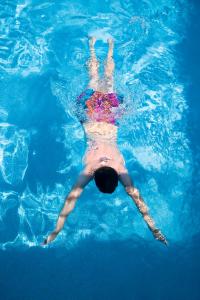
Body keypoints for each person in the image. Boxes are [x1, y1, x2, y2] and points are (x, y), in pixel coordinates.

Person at [43, 37, 167, 245]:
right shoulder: (89, 170)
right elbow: (70, 201)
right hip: (90, 117)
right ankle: (92, 45)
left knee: (107, 79)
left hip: (110, 118)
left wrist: (154, 228)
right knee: (93, 78)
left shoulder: (120, 168)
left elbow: (138, 200)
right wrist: (56, 231)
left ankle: (109, 46)